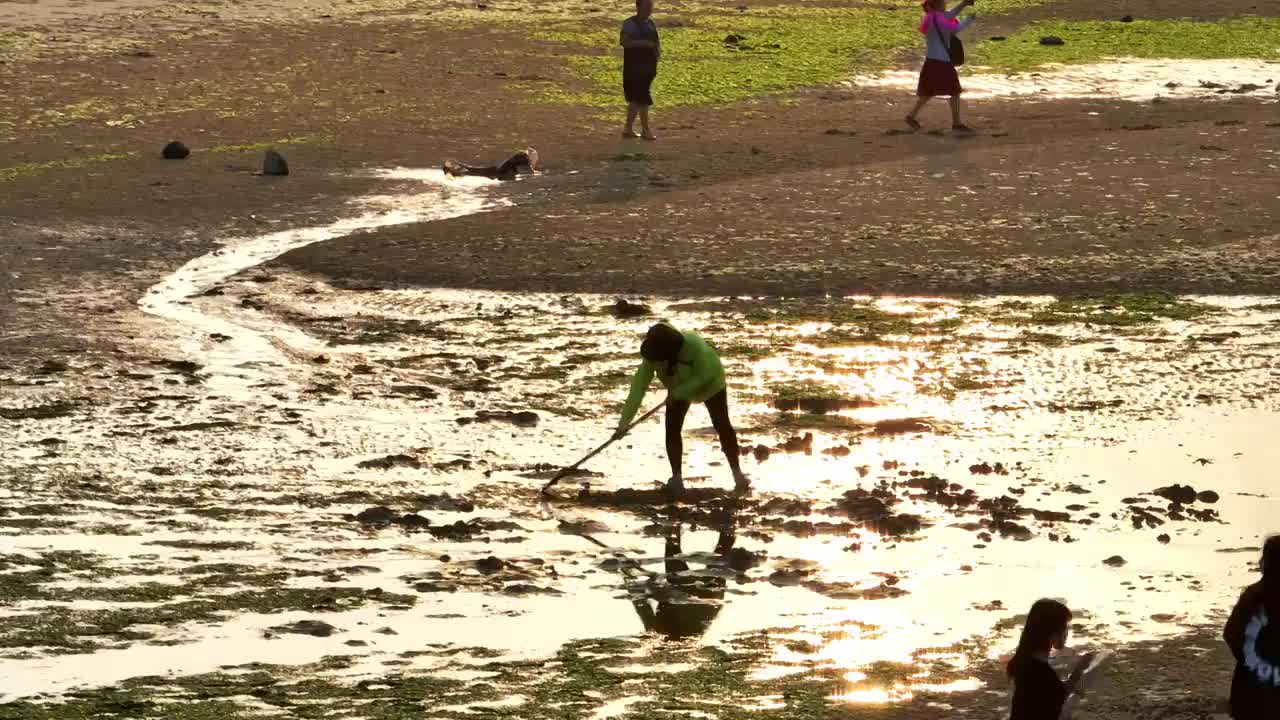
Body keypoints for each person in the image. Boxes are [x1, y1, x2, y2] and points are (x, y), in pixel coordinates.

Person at [616, 322, 746, 496]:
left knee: (722, 424)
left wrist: (679, 393)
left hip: (712, 385)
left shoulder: (695, 346)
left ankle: (738, 475)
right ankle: (676, 479)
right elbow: (637, 389)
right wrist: (624, 423)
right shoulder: (652, 355)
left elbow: (705, 375)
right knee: (672, 429)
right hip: (677, 388)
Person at [630, 507, 736, 639]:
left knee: (722, 550)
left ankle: (731, 511)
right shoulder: (658, 633)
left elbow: (644, 606)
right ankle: (673, 510)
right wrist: (633, 582)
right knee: (673, 548)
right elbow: (642, 606)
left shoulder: (692, 637)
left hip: (708, 599)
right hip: (684, 593)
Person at [1007, 599, 1096, 720]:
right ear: (1052, 631)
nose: (1067, 632)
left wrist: (1079, 670)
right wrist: (1079, 672)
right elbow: (1057, 699)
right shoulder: (1039, 671)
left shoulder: (1027, 661)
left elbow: (1052, 694)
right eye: (1065, 626)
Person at [1223, 535, 1280, 719]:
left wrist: (1250, 662)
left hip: (1251, 687)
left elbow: (1232, 633)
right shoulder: (1254, 595)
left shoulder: (1254, 595)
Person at [905, 0, 976, 134]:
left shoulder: (931, 17)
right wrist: (969, 19)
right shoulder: (940, 19)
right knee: (955, 91)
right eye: (943, 2)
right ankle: (957, 123)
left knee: (928, 92)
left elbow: (951, 14)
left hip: (931, 61)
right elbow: (955, 29)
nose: (945, 4)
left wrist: (964, 4)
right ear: (937, 5)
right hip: (942, 62)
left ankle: (911, 116)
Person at [619, 0, 660, 140]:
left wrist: (656, 57)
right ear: (638, 6)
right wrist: (644, 44)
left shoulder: (651, 24)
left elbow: (656, 44)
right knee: (643, 98)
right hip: (634, 67)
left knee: (636, 99)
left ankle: (628, 129)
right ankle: (645, 130)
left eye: (651, 6)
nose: (649, 9)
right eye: (647, 6)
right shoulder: (630, 24)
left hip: (647, 68)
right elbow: (624, 42)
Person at [443, 147, 540, 181]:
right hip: (502, 173)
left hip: (498, 170)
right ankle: (453, 169)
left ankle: (453, 169)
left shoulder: (522, 156)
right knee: (473, 170)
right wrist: (539, 174)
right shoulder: (524, 157)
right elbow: (528, 171)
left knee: (473, 170)